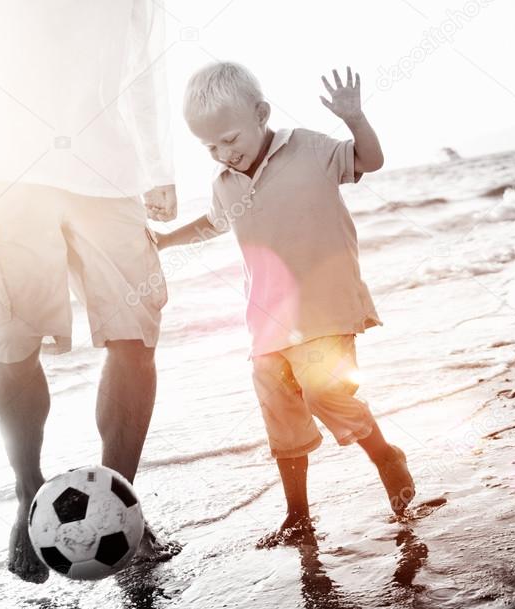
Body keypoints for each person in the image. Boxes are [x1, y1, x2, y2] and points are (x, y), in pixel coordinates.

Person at [0, 0, 180, 583]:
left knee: (136, 334)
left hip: (106, 167)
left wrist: (158, 166)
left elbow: (143, 56)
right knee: (13, 341)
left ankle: (117, 500)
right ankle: (27, 496)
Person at [154, 61, 415, 547]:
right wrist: (167, 240)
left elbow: (369, 160)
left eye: (230, 139)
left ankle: (385, 456)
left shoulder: (310, 148)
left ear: (261, 114)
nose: (224, 153)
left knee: (325, 395)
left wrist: (355, 119)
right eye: (210, 147)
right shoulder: (224, 184)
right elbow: (212, 224)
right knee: (281, 418)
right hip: (267, 322)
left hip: (327, 308)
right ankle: (298, 516)